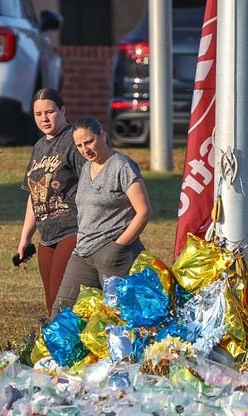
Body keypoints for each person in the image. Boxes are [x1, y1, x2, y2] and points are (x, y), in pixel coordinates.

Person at [51, 116, 152, 317]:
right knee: (61, 314)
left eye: (89, 142)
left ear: (103, 135)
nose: (85, 149)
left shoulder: (121, 166)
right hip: (83, 253)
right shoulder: (87, 167)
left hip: (114, 255)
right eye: (79, 145)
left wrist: (117, 247)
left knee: (120, 319)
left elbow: (144, 211)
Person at [18, 88, 86, 317]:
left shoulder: (73, 140)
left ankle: (70, 347)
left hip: (71, 229)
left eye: (50, 112)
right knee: (50, 303)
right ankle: (56, 348)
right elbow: (33, 194)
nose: (44, 118)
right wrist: (25, 238)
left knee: (61, 301)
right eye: (38, 114)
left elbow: (92, 181)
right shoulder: (39, 146)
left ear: (62, 110)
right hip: (46, 235)